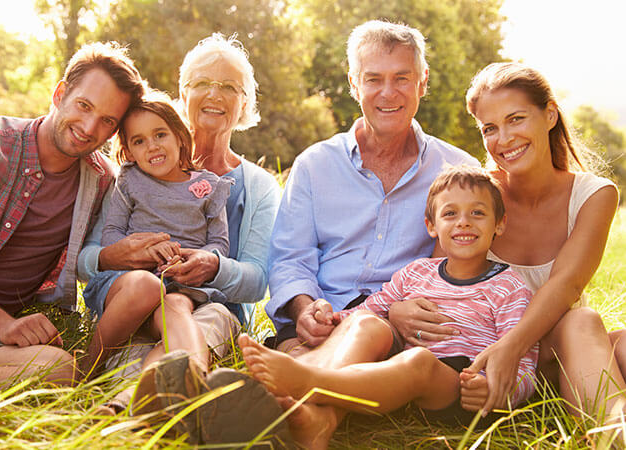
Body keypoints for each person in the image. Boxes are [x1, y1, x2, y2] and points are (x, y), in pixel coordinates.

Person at [262, 18, 478, 444]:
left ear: (423, 83)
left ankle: (296, 404)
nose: (388, 93)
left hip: (398, 322)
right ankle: (316, 415)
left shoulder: (457, 170)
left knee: (364, 336)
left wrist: (392, 310)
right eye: (373, 79)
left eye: (402, 78)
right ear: (353, 84)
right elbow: (290, 258)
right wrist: (305, 308)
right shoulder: (313, 165)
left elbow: (462, 264)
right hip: (323, 312)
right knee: (299, 347)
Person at [77, 33, 282, 443]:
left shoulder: (257, 186)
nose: (214, 94)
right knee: (146, 336)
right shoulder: (133, 174)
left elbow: (259, 280)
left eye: (229, 87)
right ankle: (198, 404)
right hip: (129, 308)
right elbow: (85, 263)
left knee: (190, 330)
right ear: (183, 94)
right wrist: (120, 255)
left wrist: (213, 266)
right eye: (203, 83)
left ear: (245, 104)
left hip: (204, 307)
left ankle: (120, 409)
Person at [390, 62, 626, 419]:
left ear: (549, 115)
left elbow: (565, 285)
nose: (504, 139)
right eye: (490, 128)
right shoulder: (476, 199)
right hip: (483, 363)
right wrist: (396, 311)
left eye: (516, 119)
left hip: (551, 351)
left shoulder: (594, 194)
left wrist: (511, 348)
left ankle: (612, 432)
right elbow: (440, 280)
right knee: (591, 328)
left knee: (587, 325)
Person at [240, 166, 538, 448]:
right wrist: (329, 318)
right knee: (367, 324)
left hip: (459, 386)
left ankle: (307, 380)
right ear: (431, 226)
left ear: (500, 223)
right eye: (450, 213)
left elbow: (523, 363)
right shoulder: (416, 272)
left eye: (477, 213)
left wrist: (496, 391)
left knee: (419, 361)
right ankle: (315, 419)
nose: (463, 222)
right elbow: (370, 309)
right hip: (397, 381)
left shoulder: (509, 287)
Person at [0, 42, 145, 387]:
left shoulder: (102, 182)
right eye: (84, 106)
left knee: (59, 369)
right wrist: (4, 325)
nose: (89, 127)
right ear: (60, 94)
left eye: (106, 121)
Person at [80, 90, 232, 378]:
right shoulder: (129, 180)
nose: (151, 146)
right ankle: (88, 367)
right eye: (139, 141)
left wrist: (198, 258)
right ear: (129, 151)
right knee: (148, 286)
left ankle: (192, 381)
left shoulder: (209, 186)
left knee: (175, 304)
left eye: (160, 134)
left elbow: (219, 243)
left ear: (179, 136)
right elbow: (111, 234)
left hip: (181, 285)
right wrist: (139, 252)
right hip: (128, 285)